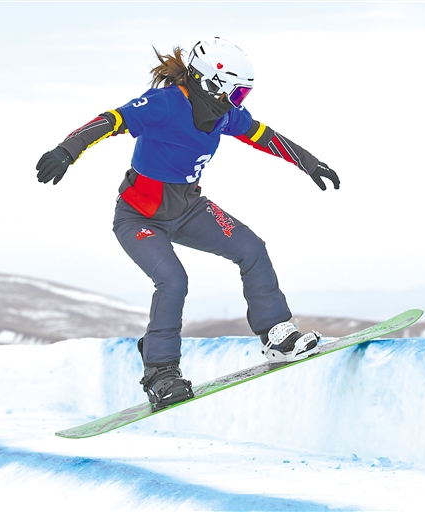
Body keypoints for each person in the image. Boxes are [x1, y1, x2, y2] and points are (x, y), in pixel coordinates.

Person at [35, 38, 340, 411]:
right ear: (212, 83)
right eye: (237, 93)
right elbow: (111, 120)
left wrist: (310, 163)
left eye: (243, 95)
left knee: (252, 249)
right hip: (139, 217)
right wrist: (67, 151)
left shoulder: (225, 115)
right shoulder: (165, 104)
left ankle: (277, 336)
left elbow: (266, 137)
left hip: (189, 209)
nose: (239, 102)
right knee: (173, 280)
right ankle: (160, 373)